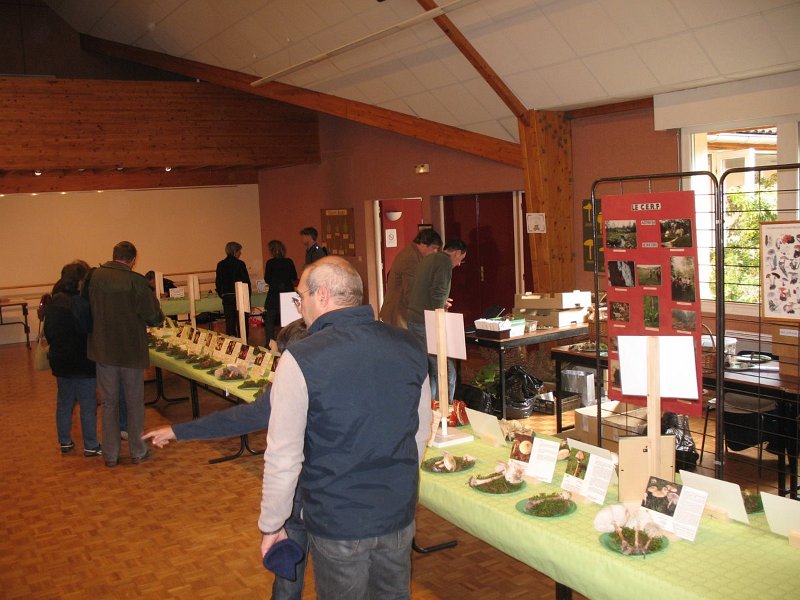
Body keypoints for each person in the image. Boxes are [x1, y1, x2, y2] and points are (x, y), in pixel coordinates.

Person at [258, 257, 431, 600]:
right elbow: (420, 432)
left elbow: (283, 456)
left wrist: (272, 524)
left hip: (337, 520)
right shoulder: (410, 345)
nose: (301, 307)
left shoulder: (300, 358)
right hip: (396, 513)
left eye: (301, 297)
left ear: (321, 296)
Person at [143, 320, 310, 599]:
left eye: (284, 358)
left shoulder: (296, 378)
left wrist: (177, 431)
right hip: (312, 498)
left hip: (307, 497)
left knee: (293, 575)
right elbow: (242, 418)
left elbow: (246, 419)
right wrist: (177, 430)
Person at [87, 241, 164, 467]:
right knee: (134, 402)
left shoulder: (94, 277)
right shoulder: (136, 281)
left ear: (114, 255)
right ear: (132, 260)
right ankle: (138, 450)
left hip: (103, 350)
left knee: (109, 403)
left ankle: (110, 454)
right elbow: (153, 316)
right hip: (131, 351)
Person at [44, 262, 101, 457]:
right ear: (79, 281)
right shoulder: (82, 303)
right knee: (87, 404)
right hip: (83, 360)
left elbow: (49, 333)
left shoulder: (54, 302)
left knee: (64, 402)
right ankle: (91, 445)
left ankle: (65, 442)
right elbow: (90, 332)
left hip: (61, 360)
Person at [406, 239, 468, 406]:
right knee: (446, 370)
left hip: (414, 318)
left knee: (431, 369)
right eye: (461, 259)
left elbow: (428, 289)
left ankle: (431, 408)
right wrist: (441, 309)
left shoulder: (429, 258)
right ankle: (445, 412)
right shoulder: (444, 262)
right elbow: (438, 290)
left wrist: (441, 302)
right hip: (427, 322)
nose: (460, 264)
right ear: (456, 253)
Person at [379, 228, 442, 328]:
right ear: (423, 244)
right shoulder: (411, 258)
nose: (435, 252)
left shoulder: (414, 254)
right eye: (434, 248)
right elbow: (412, 290)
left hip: (400, 310)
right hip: (398, 312)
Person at [263, 240, 298, 343]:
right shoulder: (289, 262)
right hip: (287, 294)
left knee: (269, 321)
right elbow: (294, 277)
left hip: (274, 295)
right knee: (288, 322)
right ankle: (289, 342)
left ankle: (269, 343)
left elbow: (267, 279)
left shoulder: (270, 263)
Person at [215, 241, 251, 338]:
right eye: (239, 251)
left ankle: (232, 343)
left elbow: (218, 282)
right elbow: (246, 282)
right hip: (240, 296)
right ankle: (244, 342)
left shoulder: (220, 264)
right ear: (235, 251)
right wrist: (248, 297)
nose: (240, 253)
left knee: (230, 322)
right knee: (242, 322)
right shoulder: (240, 264)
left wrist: (222, 294)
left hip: (227, 296)